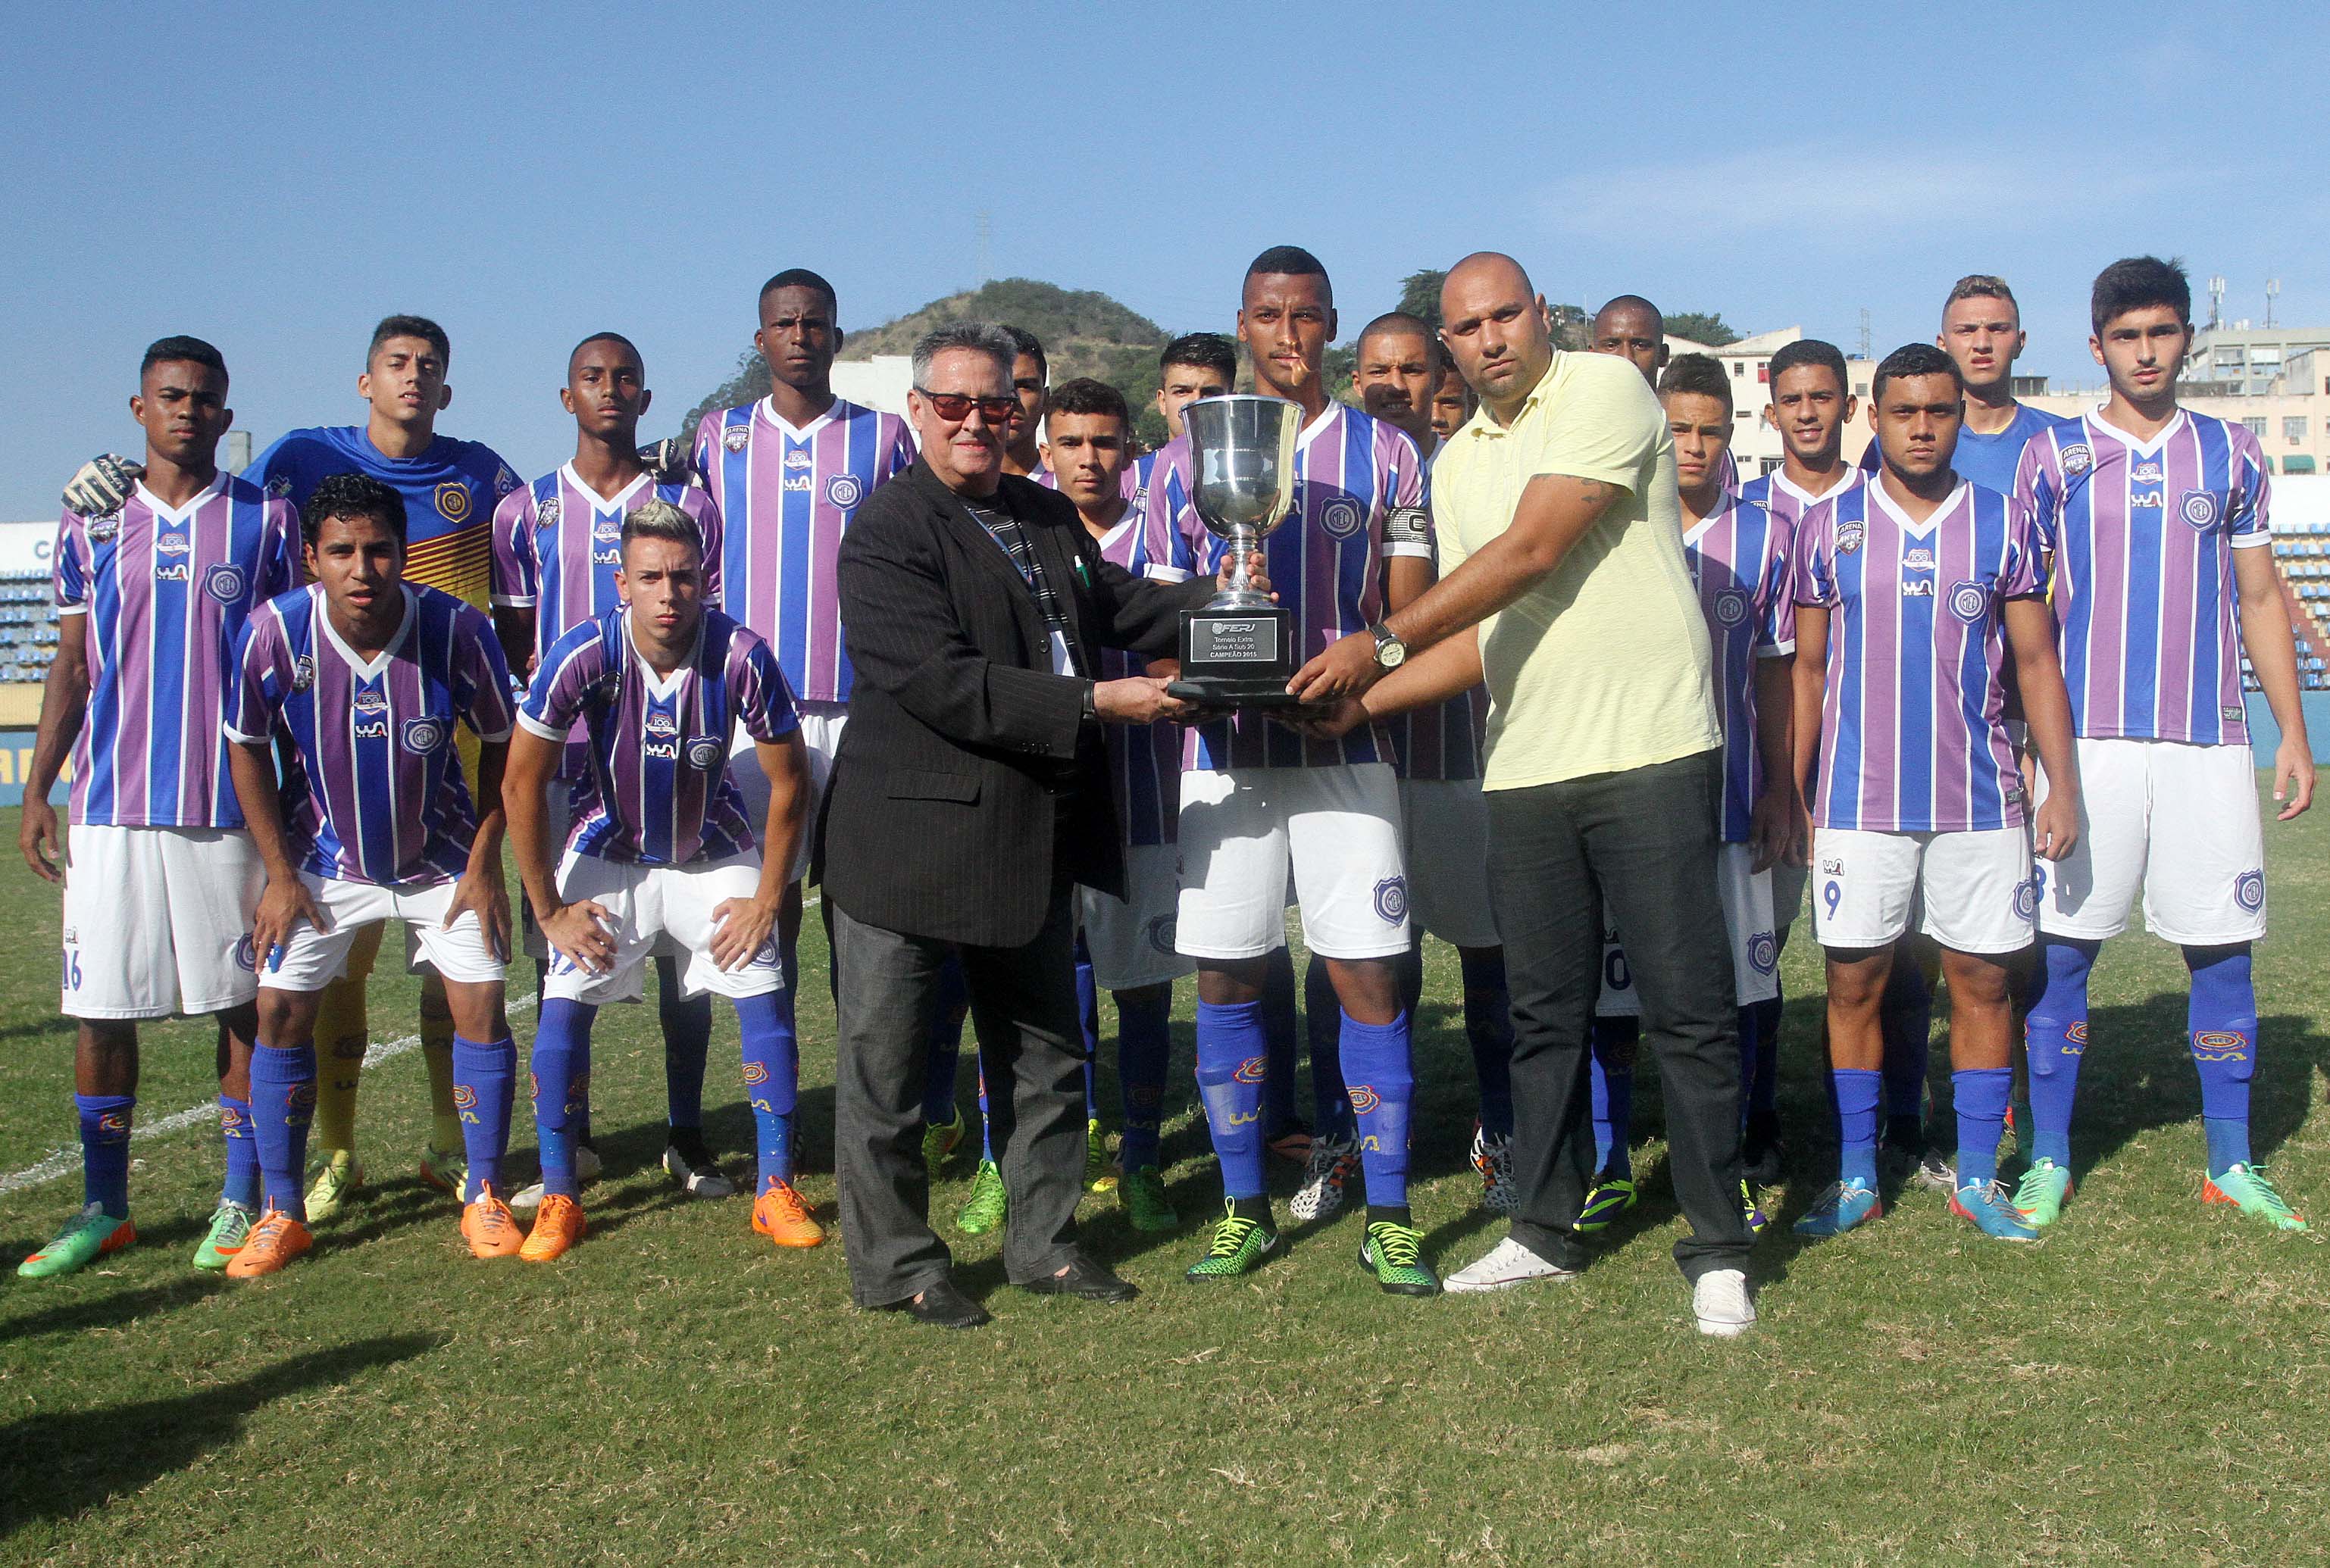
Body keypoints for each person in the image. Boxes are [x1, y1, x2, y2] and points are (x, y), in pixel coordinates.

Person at [1290, 251, 1756, 1337]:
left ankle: (1717, 1246)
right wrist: (1363, 701)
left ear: (1541, 316)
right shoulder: (1454, 464)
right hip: (1527, 762)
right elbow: (1482, 634)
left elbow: (1533, 550)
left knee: (1685, 1006)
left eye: (1506, 314)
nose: (1490, 337)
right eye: (1469, 325)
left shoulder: (1602, 385)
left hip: (1647, 748)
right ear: (1447, 345)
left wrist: (1375, 642)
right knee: (1542, 1011)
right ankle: (1540, 1228)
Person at [822, 322, 1230, 1329]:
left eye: (995, 406)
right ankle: (898, 1264)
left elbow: (1120, 605)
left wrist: (1233, 597)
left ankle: (1045, 1245)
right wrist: (1100, 704)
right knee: (888, 1072)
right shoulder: (886, 530)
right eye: (953, 405)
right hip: (906, 846)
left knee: (1045, 1053)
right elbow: (941, 683)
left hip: (1024, 832)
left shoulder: (1045, 515)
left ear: (1019, 413)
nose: (974, 421)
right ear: (915, 411)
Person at [2014, 256, 2316, 1232]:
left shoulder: (2230, 455)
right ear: (2097, 346)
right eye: (2128, 336)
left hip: (2205, 743)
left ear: (2188, 338)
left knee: (2222, 954)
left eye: (2164, 333)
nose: (2147, 352)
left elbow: (2262, 598)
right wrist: (2029, 744)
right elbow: (2025, 620)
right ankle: (2049, 1159)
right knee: (2064, 955)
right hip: (2087, 746)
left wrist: (2294, 739)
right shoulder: (2053, 456)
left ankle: (2231, 1162)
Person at [1159, 249, 1437, 1296]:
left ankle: (1389, 1212)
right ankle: (1241, 1207)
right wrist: (1202, 678)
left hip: (1343, 750)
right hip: (1221, 756)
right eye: (1268, 315)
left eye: (1307, 316)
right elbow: (1154, 615)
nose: (1287, 333)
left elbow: (1411, 615)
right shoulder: (1175, 458)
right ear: (1241, 320)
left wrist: (1361, 677)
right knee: (1227, 973)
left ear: (1329, 325)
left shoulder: (1388, 456)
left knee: (1365, 973)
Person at [16, 337, 299, 1279]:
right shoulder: (89, 524)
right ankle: (106, 1208)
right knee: (100, 1010)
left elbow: (289, 671)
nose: (187, 410)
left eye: (205, 398)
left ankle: (238, 1196)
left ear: (226, 414)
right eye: (170, 396)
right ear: (139, 409)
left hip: (225, 807)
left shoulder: (265, 521)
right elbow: (70, 663)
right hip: (109, 807)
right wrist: (39, 789)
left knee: (241, 1005)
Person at [1788, 342, 2080, 1243]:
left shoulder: (2001, 520)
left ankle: (1980, 1178)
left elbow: (2036, 661)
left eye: (1940, 412)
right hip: (1856, 802)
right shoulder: (1830, 524)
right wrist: (1792, 793)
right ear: (1874, 418)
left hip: (1981, 798)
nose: (1923, 428)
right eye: (1905, 412)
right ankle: (1854, 1177)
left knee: (1983, 982)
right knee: (1855, 982)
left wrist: (2059, 785)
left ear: (1961, 415)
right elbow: (1804, 671)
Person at [221, 473, 521, 1275]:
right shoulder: (273, 632)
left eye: (379, 549)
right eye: (342, 552)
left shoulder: (456, 628)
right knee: (280, 1012)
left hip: (445, 859)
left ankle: (484, 1190)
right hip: (322, 861)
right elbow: (245, 746)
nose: (363, 569)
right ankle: (282, 1211)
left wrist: (488, 862)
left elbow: (502, 742)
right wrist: (280, 874)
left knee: (481, 1008)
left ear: (403, 552)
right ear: (313, 558)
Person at [504, 500, 815, 1259]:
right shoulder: (582, 653)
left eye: (682, 576)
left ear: (705, 580)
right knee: (564, 1004)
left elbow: (789, 780)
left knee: (760, 983)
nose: (668, 593)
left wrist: (769, 899)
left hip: (712, 848)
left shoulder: (741, 653)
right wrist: (547, 911)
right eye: (651, 577)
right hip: (609, 848)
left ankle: (775, 1186)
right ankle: (559, 1193)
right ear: (623, 584)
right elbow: (520, 784)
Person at [690, 268, 922, 1189]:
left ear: (836, 336)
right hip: (758, 720)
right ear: (761, 340)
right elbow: (697, 569)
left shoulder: (884, 437)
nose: (798, 336)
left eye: (814, 323)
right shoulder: (718, 436)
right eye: (783, 323)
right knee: (761, 913)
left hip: (863, 708)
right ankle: (776, 1125)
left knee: (867, 914)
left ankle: (878, 1110)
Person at [491, 331, 730, 1201]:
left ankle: (686, 1132)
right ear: (568, 397)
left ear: (645, 396)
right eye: (592, 378)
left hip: (664, 757)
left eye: (625, 378)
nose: (609, 391)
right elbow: (519, 641)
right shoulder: (524, 511)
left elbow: (709, 619)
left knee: (681, 953)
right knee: (568, 950)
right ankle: (578, 1139)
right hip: (568, 772)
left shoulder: (685, 505)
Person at [1578, 355, 1792, 1234]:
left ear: (1733, 434)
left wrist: (1781, 786)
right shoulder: (1610, 526)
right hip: (1627, 797)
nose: (1695, 447)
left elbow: (1781, 679)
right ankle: (1610, 1162)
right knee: (1613, 996)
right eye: (1680, 430)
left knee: (1736, 994)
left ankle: (1729, 1159)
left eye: (1711, 429)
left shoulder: (1771, 535)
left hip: (1733, 804)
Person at [1351, 312, 1516, 1214]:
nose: (1393, 384)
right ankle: (1360, 1139)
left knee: (1488, 956)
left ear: (1437, 378)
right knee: (1363, 957)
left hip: (1459, 752)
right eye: (1377, 369)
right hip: (1359, 757)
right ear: (1354, 377)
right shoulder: (1325, 472)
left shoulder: (1468, 475)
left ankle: (1505, 1135)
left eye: (1412, 369)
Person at [1734, 339, 1893, 1186]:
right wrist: (1775, 783)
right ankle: (1758, 1122)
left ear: (1848, 406)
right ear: (1771, 412)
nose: (1807, 412)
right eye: (1792, 399)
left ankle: (1892, 1125)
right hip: (1770, 778)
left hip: (1869, 777)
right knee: (1762, 950)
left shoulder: (1886, 504)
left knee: (1878, 962)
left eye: (1822, 397)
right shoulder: (1745, 509)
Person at [1044, 376, 1195, 1231]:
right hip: (1048, 802)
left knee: (1142, 990)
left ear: (1128, 452)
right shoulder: (1022, 533)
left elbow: (1189, 645)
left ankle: (1141, 1159)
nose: (1089, 458)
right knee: (1046, 992)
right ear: (1047, 451)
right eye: (1072, 443)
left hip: (1146, 795)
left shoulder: (1167, 530)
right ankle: (1026, 1159)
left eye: (1105, 442)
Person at [1859, 275, 2058, 494]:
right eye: (1966, 331)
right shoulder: (1895, 443)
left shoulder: (2057, 439)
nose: (1982, 344)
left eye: (1997, 329)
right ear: (1942, 344)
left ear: (2020, 342)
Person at [999, 326, 1049, 479]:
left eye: (1026, 387)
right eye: (999, 386)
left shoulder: (1068, 488)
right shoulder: (948, 487)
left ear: (1046, 399)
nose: (1013, 400)